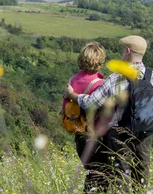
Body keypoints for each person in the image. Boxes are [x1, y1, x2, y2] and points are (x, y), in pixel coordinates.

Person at [65, 35, 153, 190]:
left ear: (128, 51)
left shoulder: (116, 78)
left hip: (119, 136)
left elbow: (91, 103)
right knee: (141, 178)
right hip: (145, 135)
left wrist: (72, 95)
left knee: (120, 179)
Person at [62, 42, 108, 192]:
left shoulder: (72, 81)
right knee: (102, 178)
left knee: (89, 174)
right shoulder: (101, 84)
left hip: (80, 135)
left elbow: (65, 109)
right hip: (98, 136)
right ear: (100, 61)